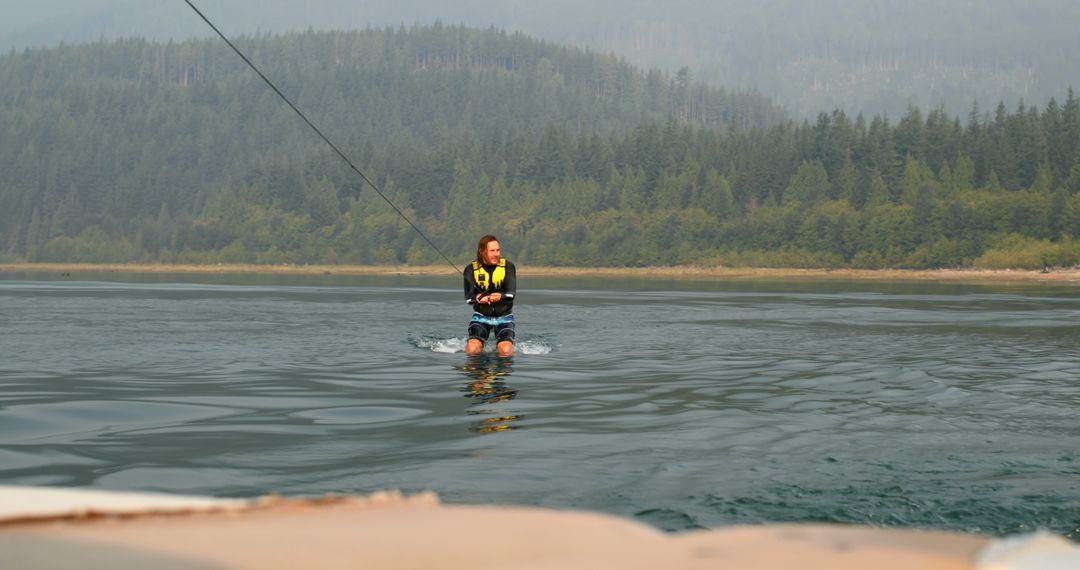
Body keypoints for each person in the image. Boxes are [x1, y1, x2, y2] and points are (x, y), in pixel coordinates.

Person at [463, 235, 516, 357]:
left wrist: (500, 296)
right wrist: (478, 298)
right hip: (481, 316)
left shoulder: (508, 267)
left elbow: (511, 293)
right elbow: (469, 298)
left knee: (505, 350)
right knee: (472, 349)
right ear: (482, 252)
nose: (496, 254)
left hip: (504, 316)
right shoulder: (470, 269)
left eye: (498, 250)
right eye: (492, 251)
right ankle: (477, 374)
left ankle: (500, 373)